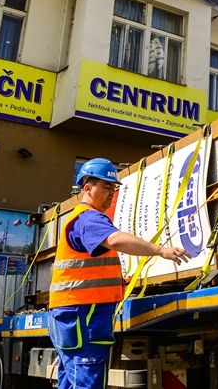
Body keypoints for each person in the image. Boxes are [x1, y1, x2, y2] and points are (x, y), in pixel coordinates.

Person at [48, 158, 186, 388]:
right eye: (106, 187)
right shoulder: (88, 218)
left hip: (73, 314)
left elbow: (89, 270)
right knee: (86, 380)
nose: (111, 193)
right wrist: (160, 250)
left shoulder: (81, 218)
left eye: (114, 188)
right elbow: (116, 239)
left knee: (71, 379)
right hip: (84, 315)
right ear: (87, 187)